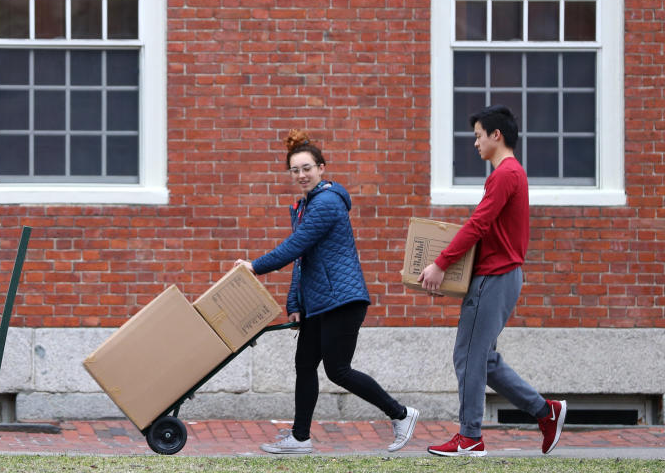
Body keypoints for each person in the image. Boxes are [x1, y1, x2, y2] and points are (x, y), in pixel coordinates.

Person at [235, 129, 419, 455]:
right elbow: (305, 258)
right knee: (305, 365)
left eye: (307, 168)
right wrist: (295, 302)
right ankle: (300, 438)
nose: (301, 175)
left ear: (322, 168)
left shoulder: (327, 203)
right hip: (320, 302)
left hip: (342, 301)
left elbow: (295, 247)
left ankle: (401, 414)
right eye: (295, 170)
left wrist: (255, 266)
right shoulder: (307, 206)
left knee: (338, 371)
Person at [419, 105, 566, 457]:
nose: (475, 143)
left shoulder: (504, 174)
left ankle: (470, 437)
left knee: (468, 355)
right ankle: (546, 412)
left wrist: (441, 264)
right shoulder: (513, 173)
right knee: (483, 360)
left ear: (496, 135)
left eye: (478, 135)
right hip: (502, 276)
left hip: (495, 276)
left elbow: (477, 225)